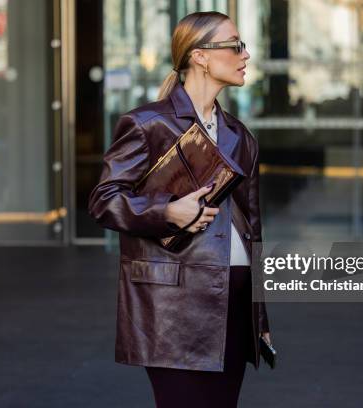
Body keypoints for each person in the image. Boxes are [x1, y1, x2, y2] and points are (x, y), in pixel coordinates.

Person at [88, 11, 272, 408]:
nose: (245, 55)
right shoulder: (147, 124)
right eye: (235, 45)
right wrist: (167, 211)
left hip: (234, 303)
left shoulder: (241, 136)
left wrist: (260, 317)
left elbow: (252, 230)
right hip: (175, 308)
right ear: (201, 56)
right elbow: (103, 200)